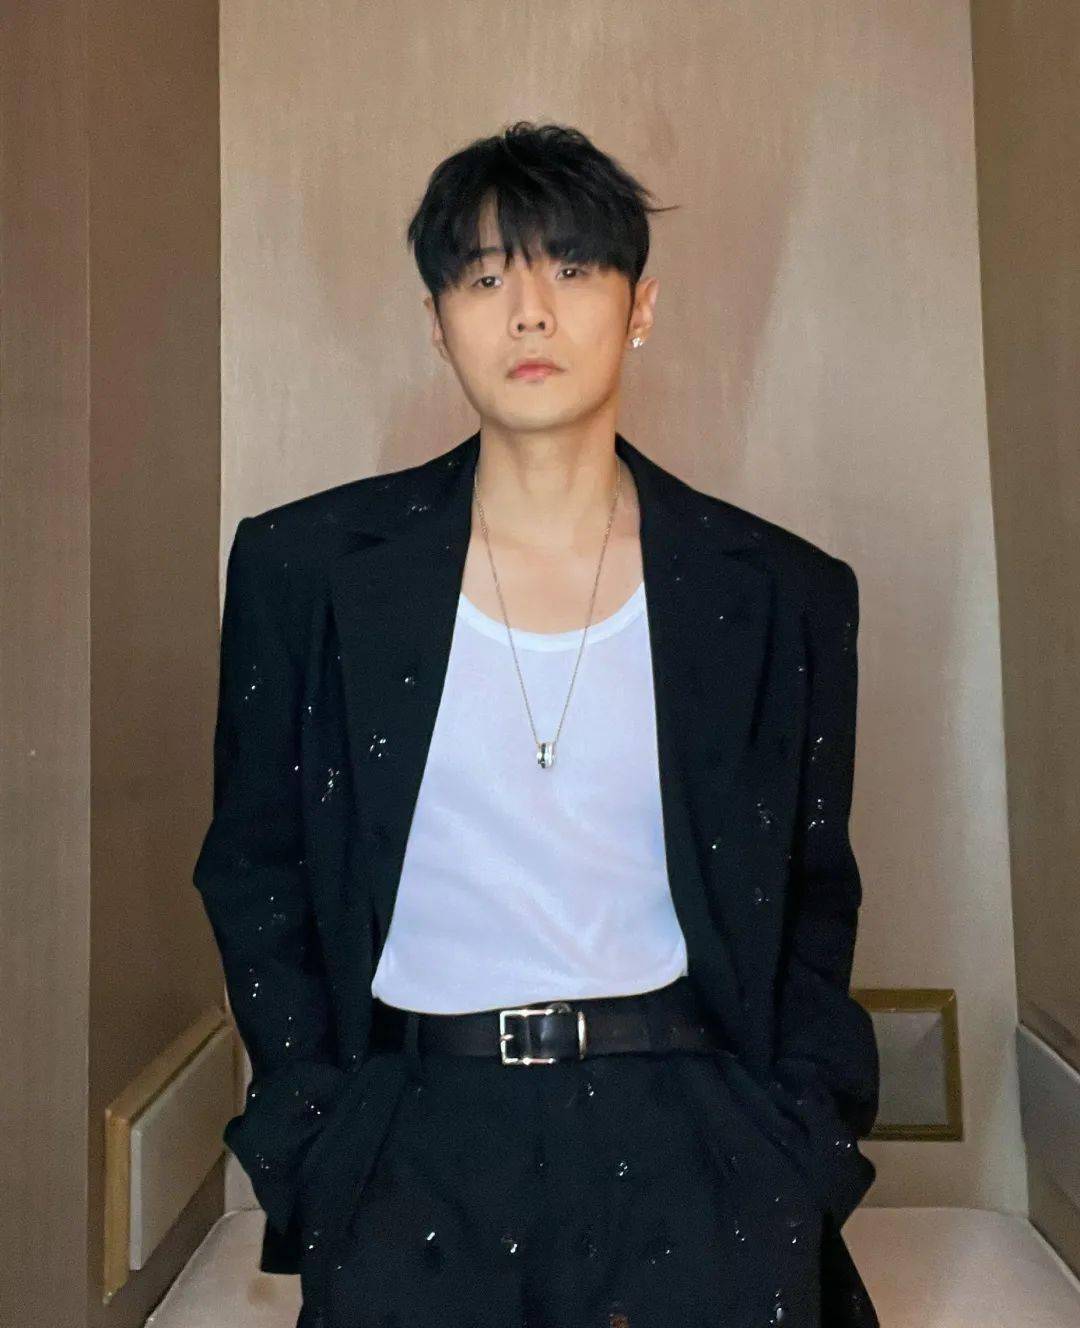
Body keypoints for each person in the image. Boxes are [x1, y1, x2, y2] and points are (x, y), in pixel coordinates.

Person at [193, 120, 880, 1328]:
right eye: (483, 276)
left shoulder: (780, 590)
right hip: (411, 1133)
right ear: (435, 320)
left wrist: (794, 1145)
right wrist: (315, 1136)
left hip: (697, 1134)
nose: (529, 312)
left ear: (641, 306)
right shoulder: (306, 569)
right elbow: (256, 867)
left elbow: (812, 893)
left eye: (571, 266)